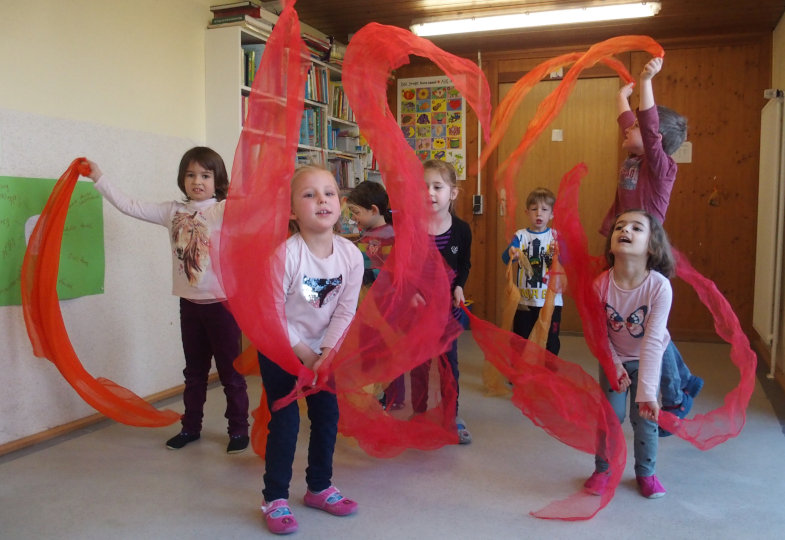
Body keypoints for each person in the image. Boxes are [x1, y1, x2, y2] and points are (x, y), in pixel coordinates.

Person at [83, 148, 250, 454]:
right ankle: (190, 427)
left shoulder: (222, 210)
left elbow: (253, 202)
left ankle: (239, 430)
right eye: (190, 175)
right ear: (182, 179)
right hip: (189, 305)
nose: (197, 181)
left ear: (218, 180)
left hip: (222, 306)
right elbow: (129, 205)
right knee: (194, 372)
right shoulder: (172, 211)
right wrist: (99, 177)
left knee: (231, 373)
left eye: (205, 175)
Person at [258, 165, 363, 535]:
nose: (322, 199)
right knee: (286, 423)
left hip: (323, 350)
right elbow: (271, 314)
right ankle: (275, 497)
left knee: (327, 417)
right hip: (281, 348)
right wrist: (304, 354)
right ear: (291, 212)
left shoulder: (351, 256)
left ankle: (319, 487)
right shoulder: (285, 256)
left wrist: (328, 353)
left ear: (341, 204)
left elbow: (346, 309)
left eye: (329, 193)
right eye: (309, 194)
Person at [599, 56, 702, 435]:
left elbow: (647, 126)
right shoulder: (632, 157)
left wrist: (646, 81)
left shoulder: (661, 168)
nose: (626, 129)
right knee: (647, 329)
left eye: (636, 126)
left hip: (648, 253)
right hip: (624, 246)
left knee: (652, 333)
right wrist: (621, 96)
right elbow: (633, 124)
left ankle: (674, 394)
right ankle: (683, 383)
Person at [584, 209, 676, 499]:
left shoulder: (659, 287)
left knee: (645, 417)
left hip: (647, 357)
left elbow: (652, 342)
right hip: (613, 355)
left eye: (637, 228)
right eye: (619, 227)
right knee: (610, 416)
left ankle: (646, 473)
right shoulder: (600, 285)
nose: (625, 230)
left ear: (652, 246)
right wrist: (614, 366)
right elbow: (599, 335)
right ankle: (602, 469)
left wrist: (648, 392)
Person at [410, 159, 472, 444]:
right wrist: (412, 292)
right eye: (424, 187)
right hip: (418, 311)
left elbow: (464, 265)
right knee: (419, 363)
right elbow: (405, 268)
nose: (430, 193)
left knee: (449, 363)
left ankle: (452, 414)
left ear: (453, 193)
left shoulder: (461, 230)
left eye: (437, 186)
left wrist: (459, 287)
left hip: (448, 311)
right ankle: (419, 413)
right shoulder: (413, 228)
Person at [344, 181, 401, 408]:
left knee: (386, 352)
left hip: (384, 306)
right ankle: (374, 394)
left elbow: (388, 271)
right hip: (367, 307)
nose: (353, 218)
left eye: (356, 213)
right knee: (368, 350)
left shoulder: (388, 237)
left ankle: (389, 398)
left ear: (374, 210)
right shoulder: (368, 234)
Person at [501, 187, 562, 354]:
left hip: (551, 301)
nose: (539, 214)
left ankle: (549, 372)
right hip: (524, 301)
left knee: (550, 338)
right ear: (527, 212)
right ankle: (520, 370)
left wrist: (559, 252)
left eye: (544, 210)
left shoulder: (556, 236)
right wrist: (512, 252)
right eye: (534, 209)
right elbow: (505, 258)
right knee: (521, 337)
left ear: (552, 214)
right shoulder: (520, 236)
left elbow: (566, 263)